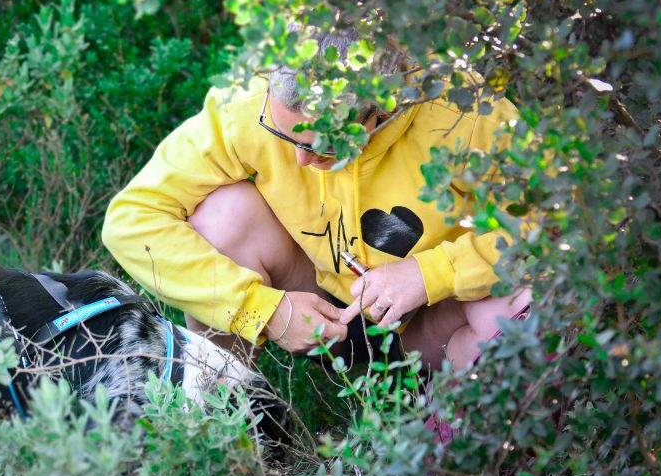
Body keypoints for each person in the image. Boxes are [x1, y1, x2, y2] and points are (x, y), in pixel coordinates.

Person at [102, 27, 531, 372]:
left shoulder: (459, 107)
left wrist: (430, 274)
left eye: (325, 146)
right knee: (224, 215)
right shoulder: (249, 102)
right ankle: (230, 422)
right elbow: (131, 219)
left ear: (382, 110)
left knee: (519, 296)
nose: (300, 160)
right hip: (322, 308)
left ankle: (450, 428)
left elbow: (561, 218)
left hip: (434, 320)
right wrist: (264, 310)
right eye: (285, 136)